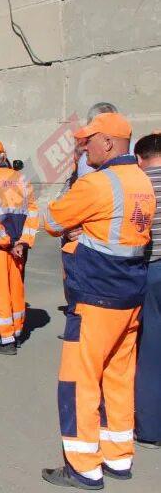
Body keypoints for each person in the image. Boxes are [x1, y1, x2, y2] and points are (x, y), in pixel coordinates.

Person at [41, 112, 155, 489]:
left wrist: (75, 216)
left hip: (95, 295)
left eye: (87, 140)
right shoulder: (140, 181)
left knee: (79, 381)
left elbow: (53, 221)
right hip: (129, 294)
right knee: (118, 377)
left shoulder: (97, 184)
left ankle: (83, 467)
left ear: (107, 142)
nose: (83, 146)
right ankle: (118, 458)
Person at [0, 139, 38, 355]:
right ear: (4, 156)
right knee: (16, 288)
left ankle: (6, 338)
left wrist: (8, 243)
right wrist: (23, 242)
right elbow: (33, 212)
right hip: (20, 247)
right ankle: (17, 332)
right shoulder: (22, 179)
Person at [134, 132, 161, 449]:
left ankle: (151, 428)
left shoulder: (139, 185)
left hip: (151, 269)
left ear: (140, 158)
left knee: (149, 351)